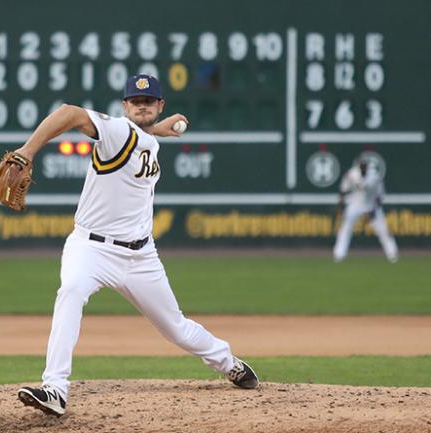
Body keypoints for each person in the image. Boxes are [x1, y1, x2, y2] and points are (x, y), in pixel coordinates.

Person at [16, 74, 259, 417]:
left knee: (176, 327)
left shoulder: (145, 137)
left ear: (159, 106)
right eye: (136, 101)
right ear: (125, 106)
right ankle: (56, 387)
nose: (142, 106)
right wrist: (27, 150)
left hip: (141, 256)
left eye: (149, 101)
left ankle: (228, 362)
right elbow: (69, 113)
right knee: (70, 290)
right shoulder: (115, 131)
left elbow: (142, 135)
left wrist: (159, 129)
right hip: (92, 250)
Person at [333, 157, 399, 263]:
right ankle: (339, 254)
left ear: (368, 167)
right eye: (361, 165)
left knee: (383, 230)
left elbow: (380, 196)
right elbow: (343, 190)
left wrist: (374, 210)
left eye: (365, 166)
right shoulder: (352, 174)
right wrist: (340, 206)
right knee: (345, 228)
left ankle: (392, 254)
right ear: (358, 166)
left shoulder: (374, 176)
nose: (363, 167)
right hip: (355, 203)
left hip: (371, 204)